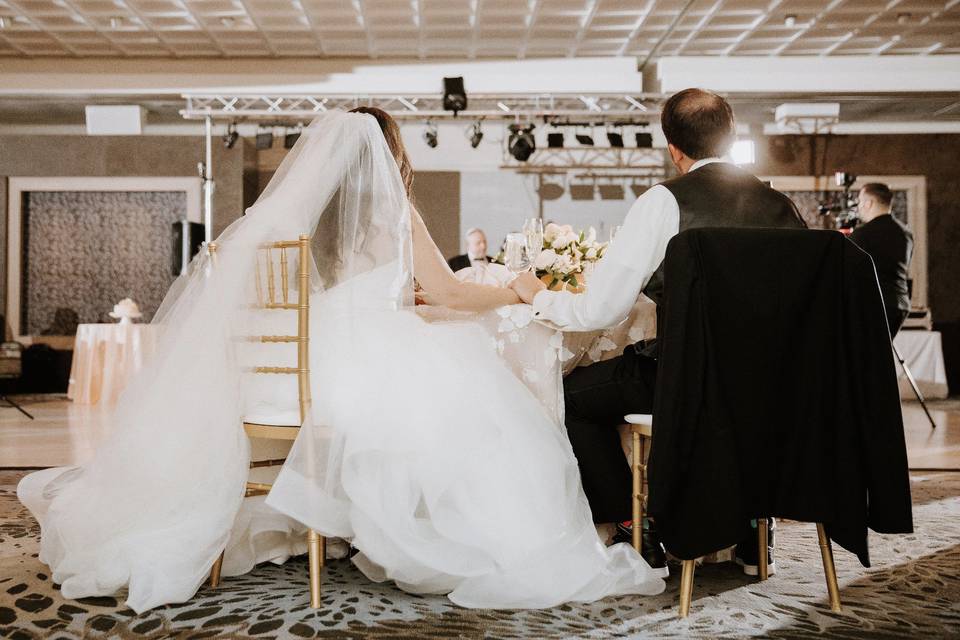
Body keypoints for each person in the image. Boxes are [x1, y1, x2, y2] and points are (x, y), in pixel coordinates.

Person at [18, 108, 664, 613]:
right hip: (361, 370)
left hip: (291, 380)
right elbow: (450, 293)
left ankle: (340, 522)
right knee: (487, 408)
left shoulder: (303, 216)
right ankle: (434, 532)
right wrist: (520, 290)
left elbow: (339, 294)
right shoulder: (391, 208)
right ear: (390, 157)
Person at [511, 87, 806, 577]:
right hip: (771, 388)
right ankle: (756, 525)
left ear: (673, 148)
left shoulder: (665, 202)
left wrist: (536, 295)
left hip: (685, 382)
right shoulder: (782, 208)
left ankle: (635, 525)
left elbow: (600, 309)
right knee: (744, 404)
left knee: (569, 398)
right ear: (731, 138)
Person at [849, 183, 913, 337]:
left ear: (868, 203)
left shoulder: (863, 234)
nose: (858, 207)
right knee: (882, 353)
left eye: (859, 202)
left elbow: (846, 270)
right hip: (901, 304)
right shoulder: (905, 233)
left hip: (873, 306)